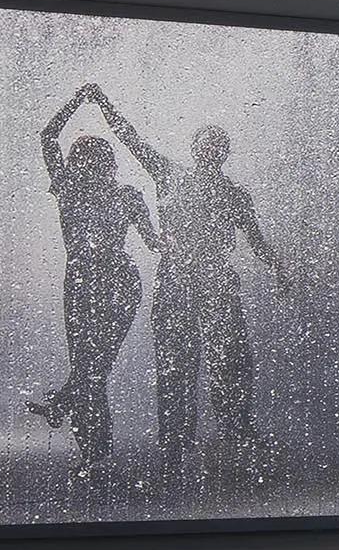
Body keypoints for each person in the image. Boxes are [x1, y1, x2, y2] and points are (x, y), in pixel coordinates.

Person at [88, 89, 283, 463]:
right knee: (177, 360)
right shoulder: (170, 176)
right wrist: (105, 106)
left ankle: (232, 427)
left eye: (217, 145)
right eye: (206, 144)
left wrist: (278, 268)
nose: (211, 150)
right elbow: (130, 138)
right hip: (179, 280)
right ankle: (178, 437)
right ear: (196, 150)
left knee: (232, 357)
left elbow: (256, 240)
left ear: (223, 153)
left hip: (212, 280)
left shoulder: (233, 194)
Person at [32, 89, 155, 468]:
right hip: (95, 282)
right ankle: (94, 452)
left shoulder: (112, 196)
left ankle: (79, 427)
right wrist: (86, 101)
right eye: (81, 162)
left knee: (92, 367)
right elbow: (47, 137)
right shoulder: (79, 192)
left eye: (91, 162)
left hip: (107, 282)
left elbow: (155, 241)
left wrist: (83, 101)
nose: (86, 168)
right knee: (91, 369)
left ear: (106, 166)